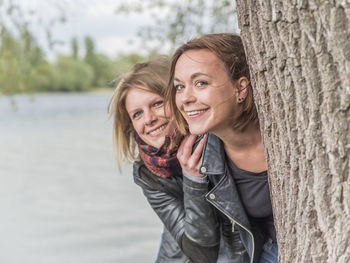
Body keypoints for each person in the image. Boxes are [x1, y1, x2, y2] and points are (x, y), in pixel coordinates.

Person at [167, 33, 278, 263]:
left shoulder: (286, 134)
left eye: (201, 83)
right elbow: (202, 251)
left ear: (240, 88)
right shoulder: (198, 157)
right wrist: (193, 181)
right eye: (179, 87)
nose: (185, 98)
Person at [108, 56, 221, 263]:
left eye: (158, 103)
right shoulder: (148, 172)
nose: (149, 119)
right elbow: (200, 253)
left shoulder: (217, 139)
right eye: (137, 114)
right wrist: (193, 179)